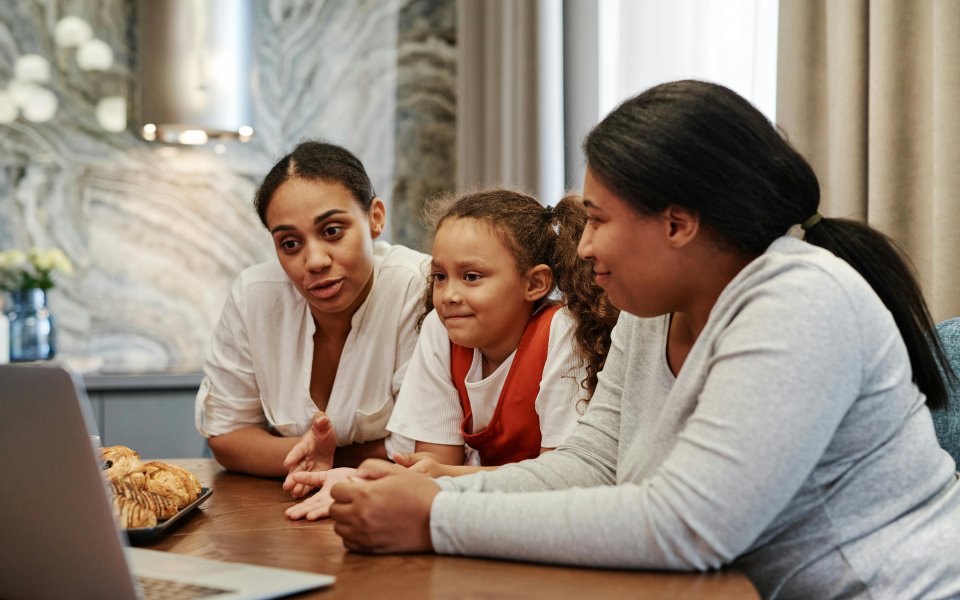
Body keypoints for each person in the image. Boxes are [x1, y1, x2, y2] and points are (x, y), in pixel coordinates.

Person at [292, 81, 960, 598]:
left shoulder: (801, 302)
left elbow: (686, 527)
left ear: (678, 225)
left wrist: (433, 520)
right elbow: (590, 467)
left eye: (600, 221)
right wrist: (428, 494)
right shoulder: (650, 309)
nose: (583, 247)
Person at [284, 190, 617, 521]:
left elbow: (561, 480)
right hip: (483, 514)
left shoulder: (562, 331)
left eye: (472, 277)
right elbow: (431, 464)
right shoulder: (439, 330)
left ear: (535, 283)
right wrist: (367, 481)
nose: (448, 295)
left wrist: (442, 477)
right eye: (440, 277)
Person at [194, 140, 428, 489]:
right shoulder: (255, 295)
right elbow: (227, 436)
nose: (315, 261)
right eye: (290, 243)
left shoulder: (418, 286)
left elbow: (424, 449)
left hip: (387, 504)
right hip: (282, 508)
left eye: (332, 232)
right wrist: (309, 454)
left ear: (375, 218)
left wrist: (320, 459)